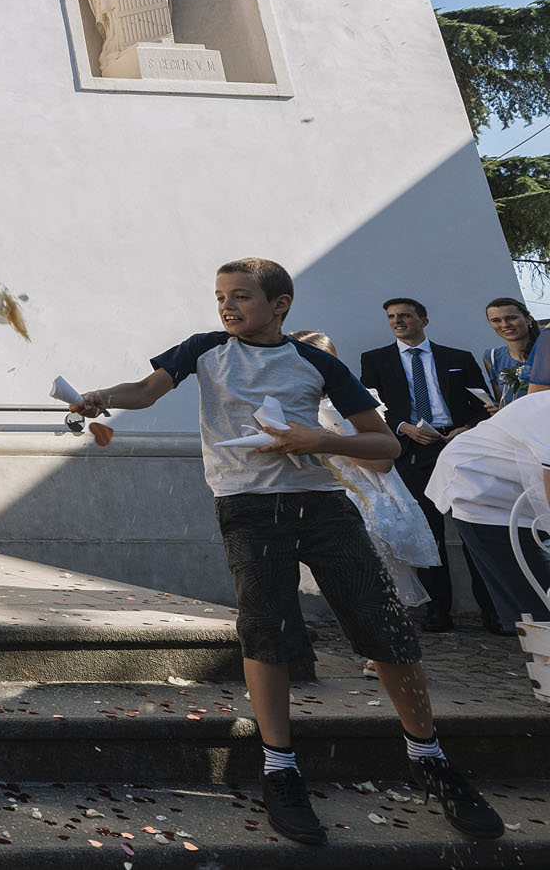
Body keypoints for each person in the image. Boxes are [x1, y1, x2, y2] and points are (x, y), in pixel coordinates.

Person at [76, 259, 504, 848]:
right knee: (268, 631)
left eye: (242, 297)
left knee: (385, 626)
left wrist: (320, 439)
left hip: (324, 505)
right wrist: (99, 396)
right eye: (220, 296)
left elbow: (381, 446)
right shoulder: (204, 349)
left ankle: (428, 756)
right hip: (248, 508)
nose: (227, 306)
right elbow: (145, 392)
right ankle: (279, 766)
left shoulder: (318, 362)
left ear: (280, 304)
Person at [290, 331, 442, 675]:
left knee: (373, 569)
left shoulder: (351, 404)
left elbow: (382, 462)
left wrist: (324, 440)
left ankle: (386, 649)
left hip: (365, 493)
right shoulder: (290, 402)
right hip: (316, 491)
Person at [358, 298, 497, 632]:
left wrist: (466, 429)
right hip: (412, 452)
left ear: (424, 319)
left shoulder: (457, 358)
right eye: (392, 317)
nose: (398, 321)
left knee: (472, 529)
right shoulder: (375, 360)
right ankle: (438, 611)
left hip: (458, 447)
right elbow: (370, 406)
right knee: (428, 533)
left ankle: (493, 611)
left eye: (405, 315)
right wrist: (403, 427)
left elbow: (483, 404)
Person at [426, 391, 550, 635]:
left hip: (520, 490)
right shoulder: (545, 411)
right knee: (532, 601)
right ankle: (540, 657)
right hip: (479, 487)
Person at [481, 295, 540, 406]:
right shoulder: (492, 357)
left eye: (511, 318)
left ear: (528, 319)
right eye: (496, 320)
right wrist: (498, 410)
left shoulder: (545, 350)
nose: (505, 325)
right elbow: (501, 400)